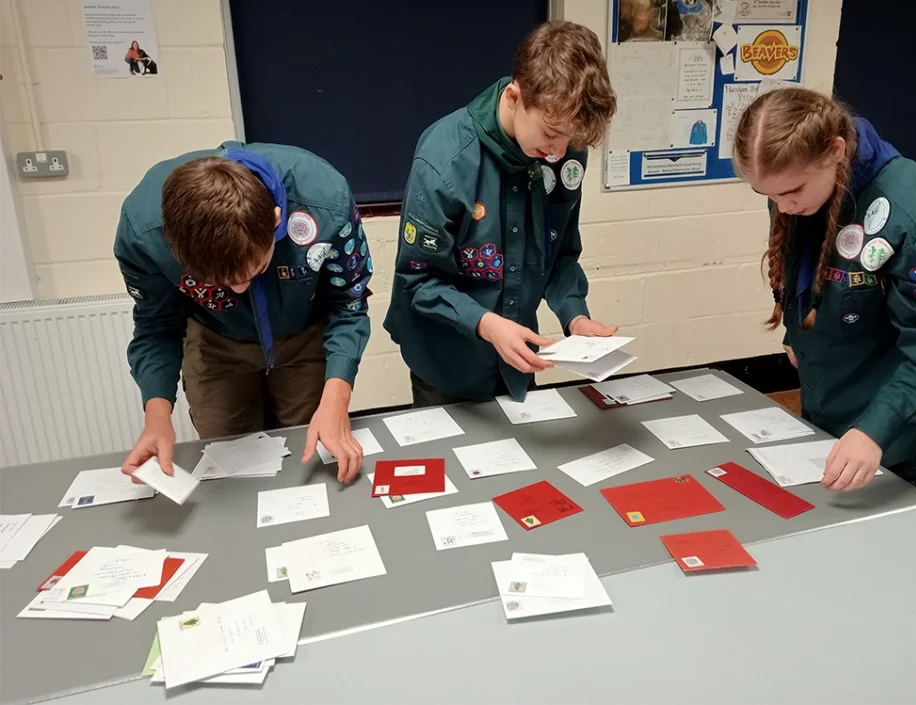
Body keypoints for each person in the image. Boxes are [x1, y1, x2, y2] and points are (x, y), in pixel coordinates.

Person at [731, 87, 916, 501]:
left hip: (901, 422)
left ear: (834, 150)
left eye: (792, 191)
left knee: (888, 537)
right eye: (770, 196)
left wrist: (874, 430)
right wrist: (797, 332)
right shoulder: (801, 193)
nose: (784, 205)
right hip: (831, 396)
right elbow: (809, 271)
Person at [384, 20, 619, 408]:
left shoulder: (562, 149)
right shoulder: (444, 160)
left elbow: (558, 254)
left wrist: (575, 318)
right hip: (448, 362)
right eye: (550, 133)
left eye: (570, 140)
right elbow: (418, 282)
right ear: (514, 96)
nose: (560, 151)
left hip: (519, 359)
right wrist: (489, 326)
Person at [114, 142, 372, 484]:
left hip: (303, 332)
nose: (238, 289)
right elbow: (157, 324)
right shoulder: (143, 233)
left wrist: (338, 399)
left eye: (254, 270)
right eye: (218, 282)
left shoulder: (325, 199)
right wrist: (157, 417)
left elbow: (348, 304)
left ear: (276, 221)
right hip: (216, 337)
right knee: (230, 471)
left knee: (308, 463)